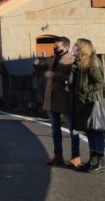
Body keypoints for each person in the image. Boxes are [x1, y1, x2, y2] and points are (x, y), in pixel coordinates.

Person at [35, 37, 81, 167]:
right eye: (54, 46)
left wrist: (54, 75)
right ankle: (58, 155)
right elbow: (42, 68)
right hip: (52, 98)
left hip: (66, 98)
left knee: (73, 129)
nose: (55, 49)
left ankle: (75, 156)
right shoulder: (52, 58)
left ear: (66, 48)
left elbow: (73, 79)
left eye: (58, 47)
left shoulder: (72, 60)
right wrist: (37, 63)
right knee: (55, 130)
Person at [71, 38, 105, 172]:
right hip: (83, 103)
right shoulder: (80, 63)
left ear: (83, 48)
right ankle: (92, 160)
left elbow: (99, 83)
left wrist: (84, 90)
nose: (74, 48)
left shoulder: (92, 63)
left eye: (77, 46)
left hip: (92, 102)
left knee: (96, 132)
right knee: (89, 132)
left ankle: (101, 161)